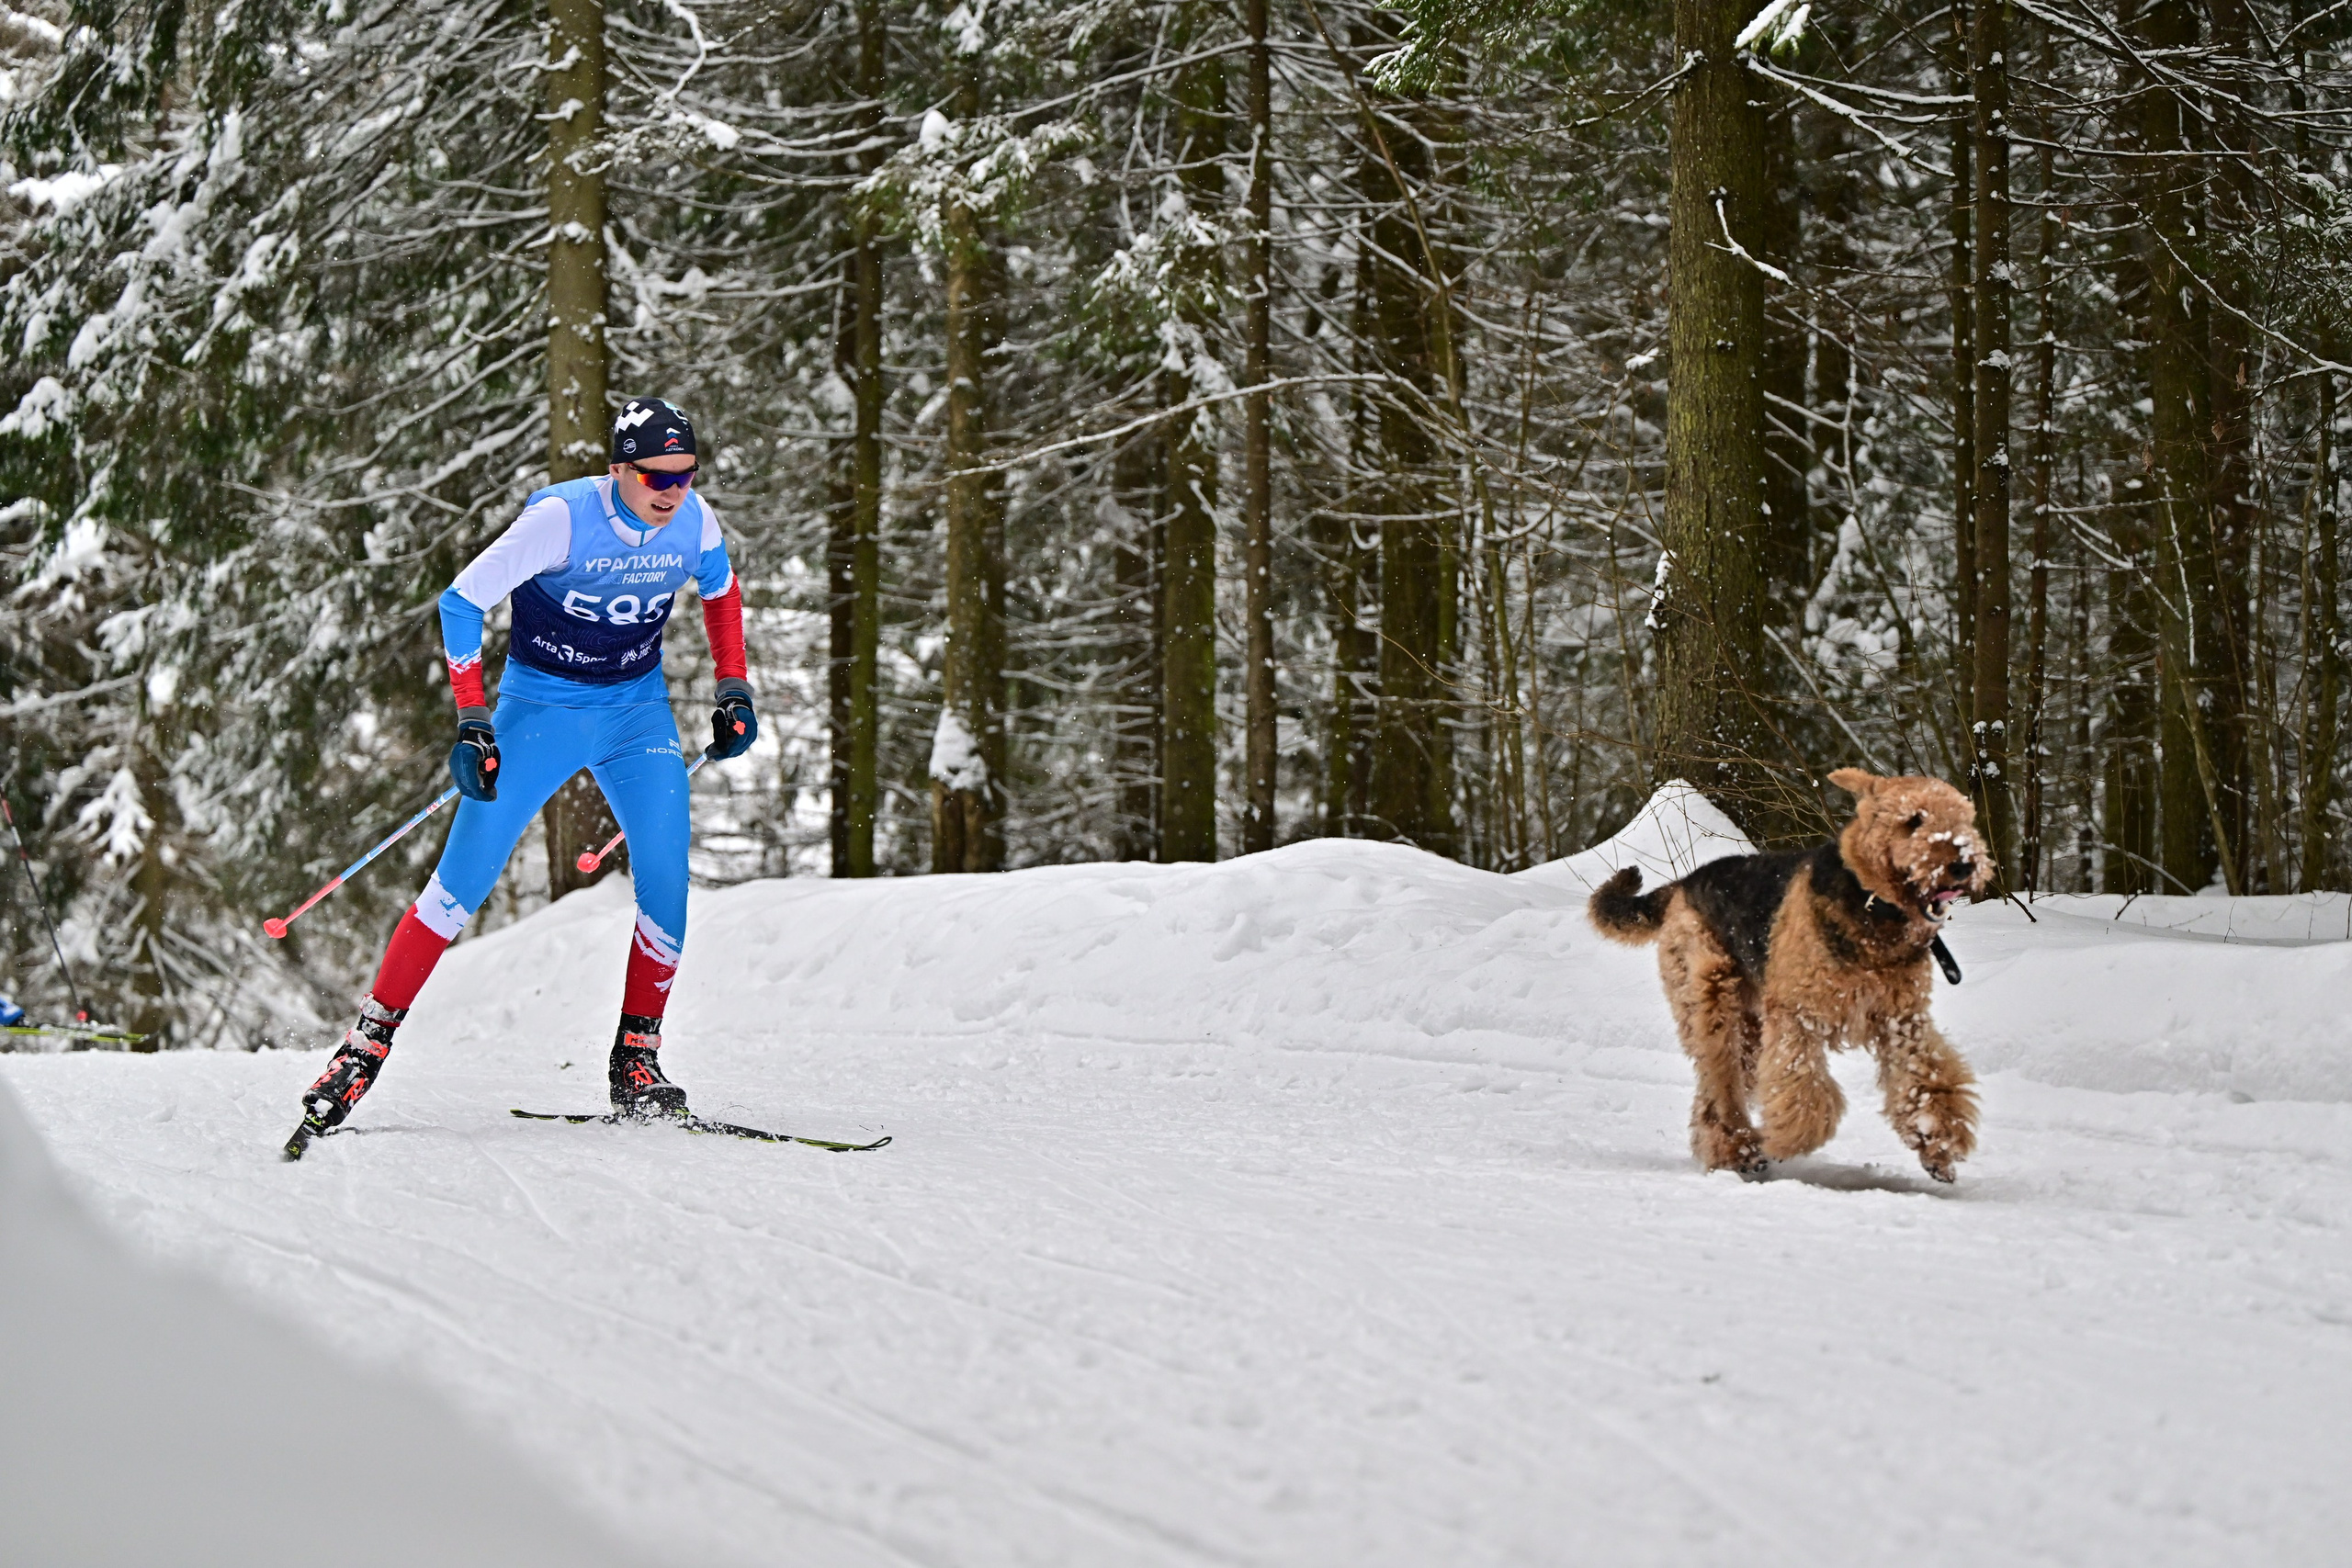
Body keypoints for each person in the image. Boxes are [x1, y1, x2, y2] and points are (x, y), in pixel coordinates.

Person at [294, 397, 756, 1139]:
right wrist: (474, 719)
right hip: (539, 710)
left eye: (685, 473)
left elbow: (722, 592)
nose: (672, 490)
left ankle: (637, 1061)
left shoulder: (695, 522)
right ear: (618, 470)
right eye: (655, 476)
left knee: (668, 878)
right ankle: (363, 1048)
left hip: (635, 716)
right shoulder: (563, 519)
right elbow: (461, 601)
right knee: (459, 884)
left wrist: (733, 684)